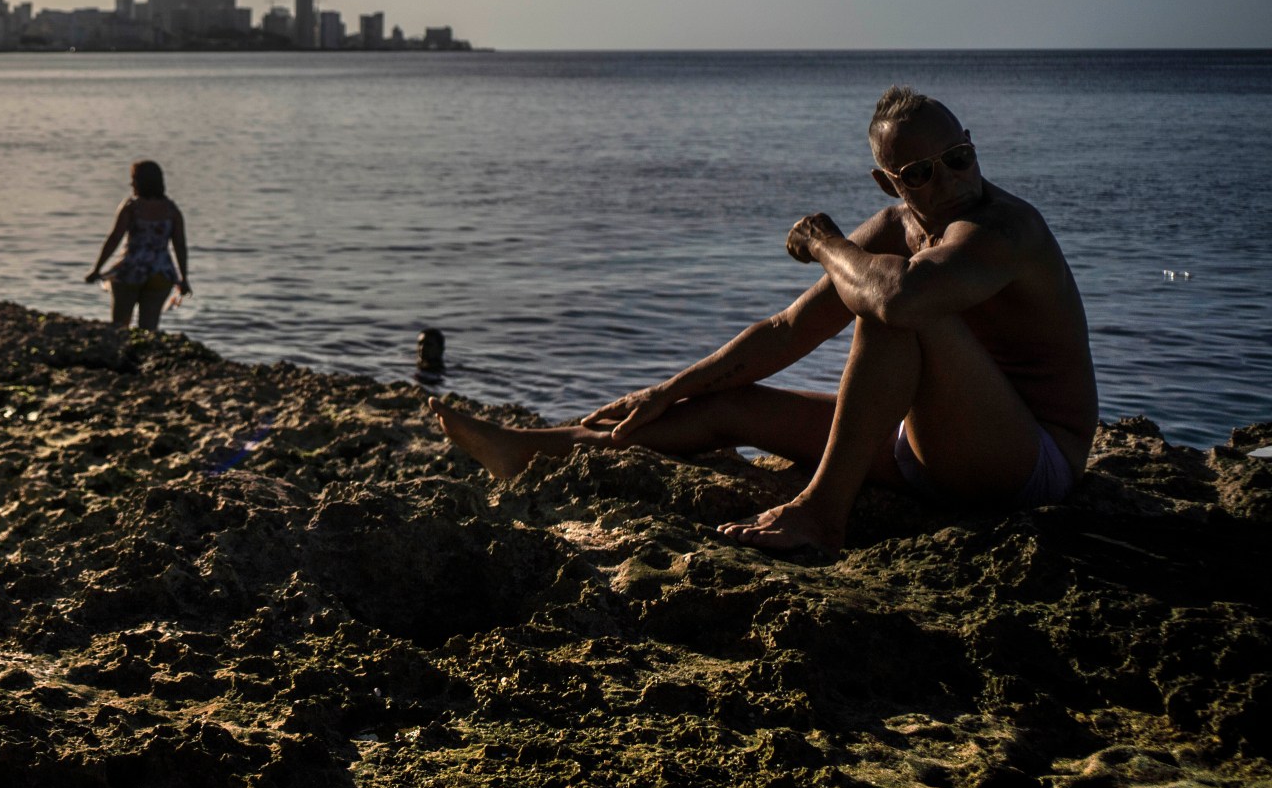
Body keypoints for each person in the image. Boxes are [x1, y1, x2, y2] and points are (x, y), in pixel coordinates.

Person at [430, 86, 1097, 558]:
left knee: (889, 313)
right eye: (922, 172)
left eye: (960, 156)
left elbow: (897, 301)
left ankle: (819, 516)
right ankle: (537, 448)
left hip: (1031, 461)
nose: (951, 180)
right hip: (932, 448)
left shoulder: (1002, 229)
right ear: (889, 182)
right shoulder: (897, 229)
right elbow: (787, 331)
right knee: (729, 407)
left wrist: (826, 242)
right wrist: (670, 387)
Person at [84, 159, 192, 330]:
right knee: (149, 327)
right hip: (161, 272)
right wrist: (184, 278)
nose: (131, 183)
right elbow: (180, 245)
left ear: (139, 182)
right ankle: (145, 353)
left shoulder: (132, 207)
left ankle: (121, 353)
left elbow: (114, 239)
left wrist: (97, 268)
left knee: (120, 324)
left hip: (131, 270)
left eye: (133, 179)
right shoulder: (172, 210)